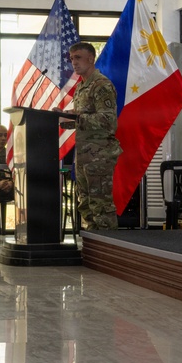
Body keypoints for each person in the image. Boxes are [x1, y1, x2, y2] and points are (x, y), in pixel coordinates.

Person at [60, 42, 121, 230]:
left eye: (78, 58)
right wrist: (62, 117)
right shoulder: (81, 87)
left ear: (91, 58)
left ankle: (110, 252)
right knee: (85, 204)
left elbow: (108, 120)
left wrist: (76, 117)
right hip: (84, 154)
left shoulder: (101, 85)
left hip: (99, 154)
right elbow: (82, 118)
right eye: (71, 59)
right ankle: (94, 252)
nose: (74, 63)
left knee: (101, 206)